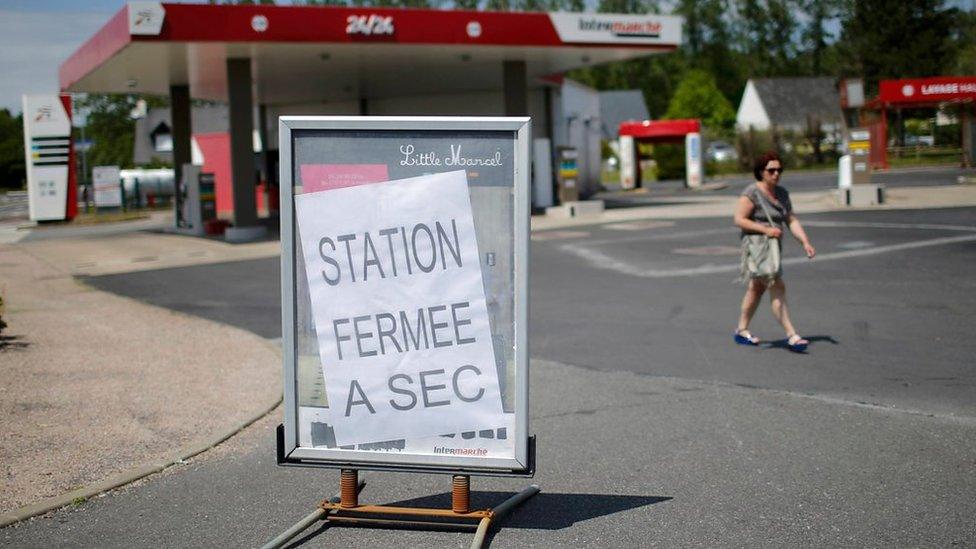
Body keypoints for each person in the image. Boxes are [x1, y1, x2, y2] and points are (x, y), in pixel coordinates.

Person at [733, 152, 816, 352]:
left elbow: (791, 220)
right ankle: (792, 335)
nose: (776, 174)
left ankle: (741, 330)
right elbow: (739, 219)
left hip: (773, 248)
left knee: (756, 288)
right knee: (776, 285)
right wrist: (766, 230)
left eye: (779, 170)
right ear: (761, 172)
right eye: (771, 170)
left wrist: (805, 241)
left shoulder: (782, 193)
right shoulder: (751, 193)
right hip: (757, 248)